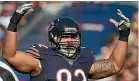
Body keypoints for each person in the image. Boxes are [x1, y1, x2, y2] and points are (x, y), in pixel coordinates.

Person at [2, 3, 130, 81]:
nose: (70, 40)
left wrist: (124, 35)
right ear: (54, 38)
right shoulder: (41, 57)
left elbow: (115, 65)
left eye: (73, 36)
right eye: (65, 36)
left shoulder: (84, 57)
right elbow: (10, 55)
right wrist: (14, 23)